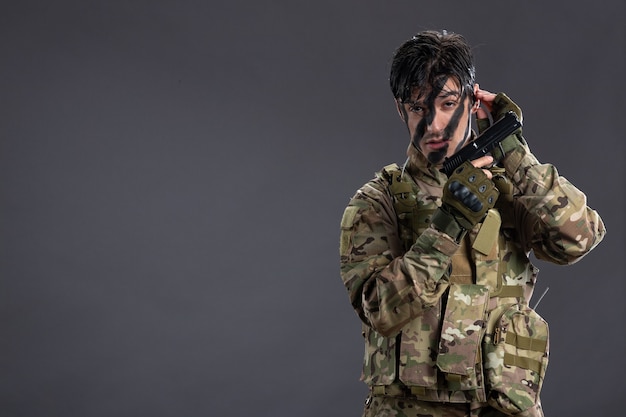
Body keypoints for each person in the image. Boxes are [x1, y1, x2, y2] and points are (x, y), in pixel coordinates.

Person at [338, 30, 606, 417]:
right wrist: (449, 225)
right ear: (401, 111)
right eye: (417, 108)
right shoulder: (377, 200)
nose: (433, 124)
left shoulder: (510, 186)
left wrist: (513, 150)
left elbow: (578, 238)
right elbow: (381, 311)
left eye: (447, 103)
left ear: (472, 99)